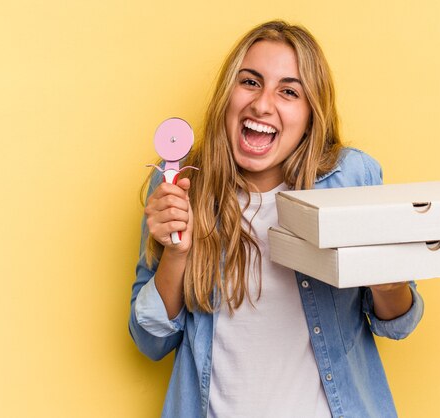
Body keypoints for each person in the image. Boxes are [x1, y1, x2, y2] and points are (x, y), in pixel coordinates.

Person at [129, 20, 424, 418]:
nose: (263, 104)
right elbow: (150, 342)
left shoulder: (352, 179)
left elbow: (398, 323)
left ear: (310, 115)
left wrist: (387, 281)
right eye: (250, 82)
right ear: (227, 94)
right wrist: (177, 254)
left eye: (288, 91)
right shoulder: (179, 185)